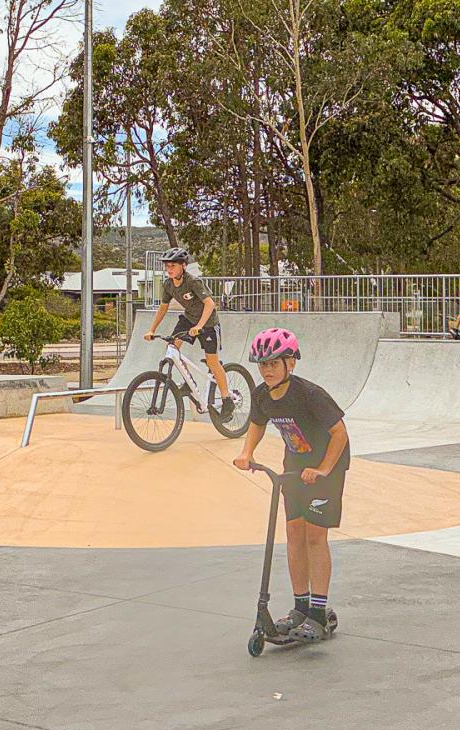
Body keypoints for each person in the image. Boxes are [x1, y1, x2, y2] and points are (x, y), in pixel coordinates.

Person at [233, 327, 348, 643]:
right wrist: (246, 453)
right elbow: (257, 424)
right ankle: (300, 607)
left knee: (315, 535)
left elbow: (340, 434)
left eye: (274, 363)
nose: (267, 370)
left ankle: (319, 614)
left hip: (328, 466)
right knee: (294, 532)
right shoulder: (262, 395)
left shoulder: (309, 394)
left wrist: (323, 469)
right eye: (263, 364)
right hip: (295, 467)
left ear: (291, 364)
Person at [142, 246, 234, 418]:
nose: (169, 270)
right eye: (167, 266)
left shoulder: (193, 282)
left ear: (183, 266)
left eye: (173, 266)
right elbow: (163, 308)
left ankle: (227, 398)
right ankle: (188, 382)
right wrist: (152, 329)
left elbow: (210, 304)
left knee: (212, 362)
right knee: (172, 348)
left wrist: (200, 325)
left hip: (208, 323)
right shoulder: (168, 285)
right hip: (189, 319)